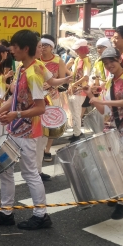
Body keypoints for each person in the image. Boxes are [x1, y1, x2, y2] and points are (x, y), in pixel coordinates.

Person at [0, 29, 52, 230]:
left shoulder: (34, 73)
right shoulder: (22, 68)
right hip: (13, 129)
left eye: (14, 46)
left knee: (30, 173)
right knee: (5, 170)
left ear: (25, 48)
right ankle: (6, 212)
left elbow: (41, 107)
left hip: (28, 132)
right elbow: (14, 99)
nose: (11, 49)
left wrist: (16, 115)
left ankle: (41, 215)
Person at [88, 47, 123, 220]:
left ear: (120, 60)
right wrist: (91, 96)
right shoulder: (110, 81)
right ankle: (117, 193)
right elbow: (105, 109)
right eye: (105, 63)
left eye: (112, 61)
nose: (109, 65)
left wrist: (103, 100)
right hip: (113, 126)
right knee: (111, 162)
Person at [39, 35, 69, 164]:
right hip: (38, 97)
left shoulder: (58, 61)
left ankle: (47, 149)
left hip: (53, 97)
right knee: (39, 124)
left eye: (46, 45)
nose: (43, 48)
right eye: (41, 45)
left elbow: (62, 80)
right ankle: (39, 149)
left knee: (51, 125)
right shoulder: (36, 60)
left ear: (52, 47)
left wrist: (51, 84)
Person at [68, 39, 91, 142]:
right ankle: (76, 131)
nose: (76, 52)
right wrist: (70, 85)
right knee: (73, 112)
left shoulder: (87, 60)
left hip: (81, 90)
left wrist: (73, 85)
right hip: (74, 89)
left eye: (78, 49)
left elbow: (86, 76)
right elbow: (73, 75)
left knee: (76, 112)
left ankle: (76, 134)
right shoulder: (77, 59)